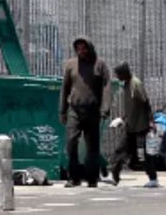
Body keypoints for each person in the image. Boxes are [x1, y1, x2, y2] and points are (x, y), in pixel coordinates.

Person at [60, 37, 109, 188]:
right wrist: (62, 111)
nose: (81, 51)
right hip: (74, 110)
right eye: (78, 49)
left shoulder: (99, 64)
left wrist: (105, 108)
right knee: (71, 143)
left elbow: (106, 87)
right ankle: (74, 178)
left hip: (92, 111)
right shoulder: (70, 65)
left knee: (92, 146)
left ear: (90, 48)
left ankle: (92, 178)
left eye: (84, 48)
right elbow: (65, 88)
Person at [106, 63, 159, 188]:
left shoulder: (136, 84)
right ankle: (114, 176)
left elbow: (146, 103)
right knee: (121, 150)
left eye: (118, 74)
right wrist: (122, 119)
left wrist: (151, 121)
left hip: (141, 126)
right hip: (130, 125)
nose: (117, 77)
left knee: (146, 154)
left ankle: (153, 178)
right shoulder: (125, 85)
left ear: (124, 72)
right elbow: (130, 107)